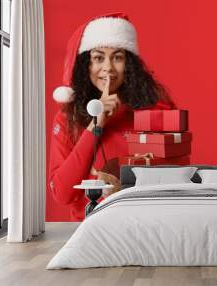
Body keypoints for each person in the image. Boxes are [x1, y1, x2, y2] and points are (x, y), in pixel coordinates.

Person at [48, 12, 174, 221]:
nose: (107, 67)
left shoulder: (154, 114)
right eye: (98, 58)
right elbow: (62, 193)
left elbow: (170, 184)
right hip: (89, 230)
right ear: (85, 66)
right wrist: (96, 124)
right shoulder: (67, 119)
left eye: (117, 57)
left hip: (144, 226)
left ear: (129, 66)